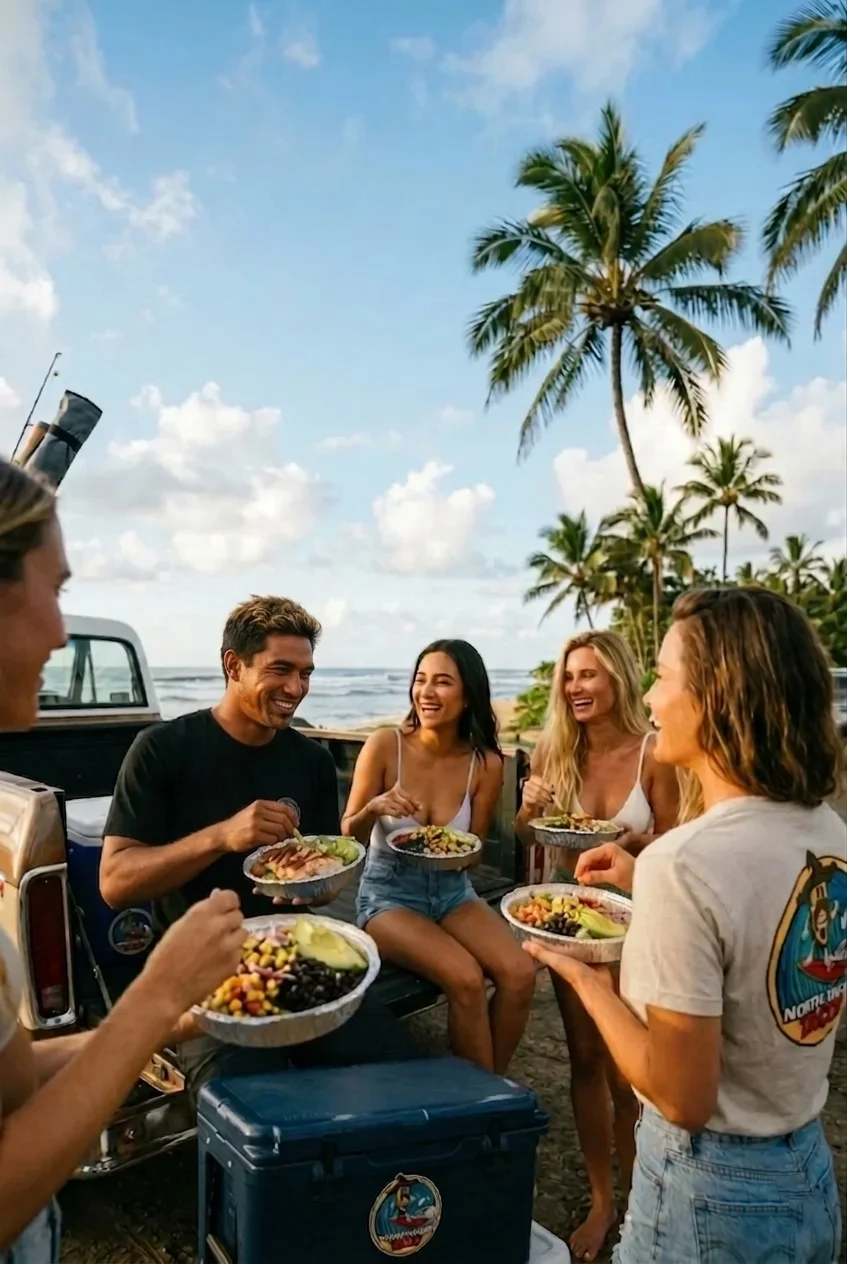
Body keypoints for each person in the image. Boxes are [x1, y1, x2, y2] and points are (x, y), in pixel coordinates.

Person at [527, 588, 845, 1264]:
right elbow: (754, 927)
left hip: (707, 1198)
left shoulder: (686, 860)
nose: (648, 699)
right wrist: (641, 877)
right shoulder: (825, 833)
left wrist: (586, 982)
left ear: (716, 696)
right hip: (806, 1171)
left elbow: (679, 1097)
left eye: (663, 679)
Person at [0, 458, 243, 1258]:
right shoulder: (162, 750)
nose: (63, 632)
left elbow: (9, 1090)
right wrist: (156, 990)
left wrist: (172, 1018)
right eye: (57, 589)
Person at [100, 594, 418, 1092]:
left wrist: (315, 888)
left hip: (296, 953)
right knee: (253, 1114)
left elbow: (322, 879)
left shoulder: (311, 760)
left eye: (307, 673)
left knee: (395, 1081)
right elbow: (116, 883)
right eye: (281, 670)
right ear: (234, 665)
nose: (296, 688)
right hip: (203, 967)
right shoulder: (163, 750)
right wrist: (221, 836)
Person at [514, 630, 679, 1262]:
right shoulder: (556, 749)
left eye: (589, 675)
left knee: (630, 1073)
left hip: (638, 924)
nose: (575, 687)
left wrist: (625, 843)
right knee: (584, 1059)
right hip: (569, 920)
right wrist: (528, 807)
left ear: (616, 679)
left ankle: (646, 1192)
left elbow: (672, 839)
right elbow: (532, 835)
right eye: (569, 677)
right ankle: (604, 1198)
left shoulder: (653, 753)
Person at [342, 639, 536, 1074]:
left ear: (468, 695)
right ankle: (480, 1105)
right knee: (465, 978)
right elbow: (347, 833)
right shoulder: (383, 745)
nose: (426, 692)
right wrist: (373, 808)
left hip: (452, 892)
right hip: (389, 896)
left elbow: (474, 851)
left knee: (520, 973)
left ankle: (489, 1085)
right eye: (420, 680)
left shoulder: (485, 763)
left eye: (442, 682)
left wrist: (453, 853)